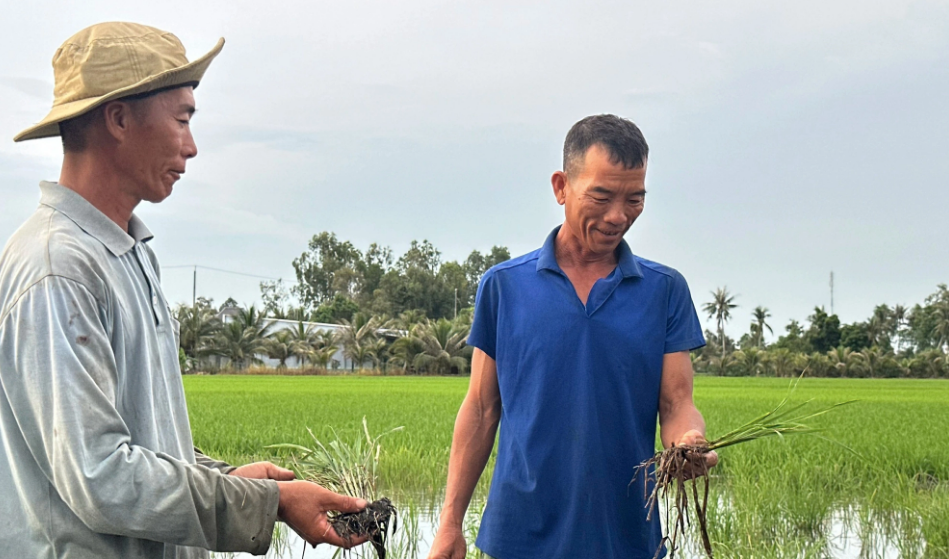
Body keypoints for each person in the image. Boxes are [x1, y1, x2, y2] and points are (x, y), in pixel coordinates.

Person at [0, 22, 366, 558]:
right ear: (119, 118)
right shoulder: (59, 267)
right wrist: (270, 504)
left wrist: (236, 483)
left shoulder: (128, 254)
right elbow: (99, 475)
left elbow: (139, 442)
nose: (191, 147)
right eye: (182, 119)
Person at [428, 114, 718, 559]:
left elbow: (676, 404)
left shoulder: (664, 290)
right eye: (601, 196)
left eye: (635, 199)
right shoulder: (504, 287)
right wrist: (449, 524)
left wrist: (689, 443)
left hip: (627, 537)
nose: (618, 216)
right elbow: (483, 410)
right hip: (519, 537)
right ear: (561, 187)